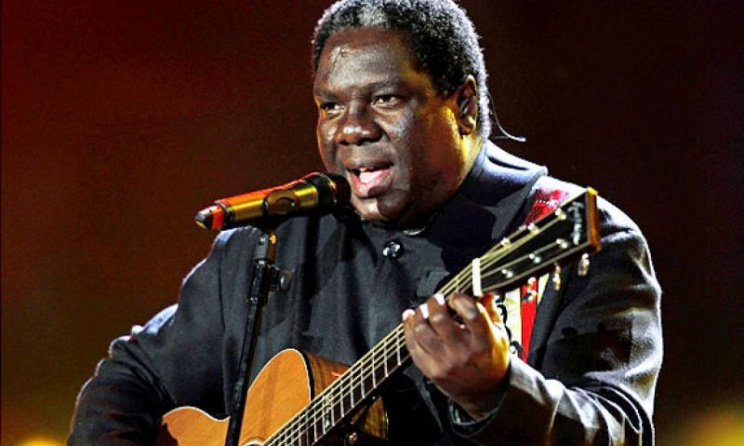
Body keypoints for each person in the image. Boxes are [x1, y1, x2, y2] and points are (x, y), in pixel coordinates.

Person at [69, 0, 662, 445]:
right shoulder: (272, 243)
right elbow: (129, 379)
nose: (349, 129)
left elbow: (620, 433)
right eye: (330, 106)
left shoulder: (574, 234)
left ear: (463, 105)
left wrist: (498, 391)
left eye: (385, 99)